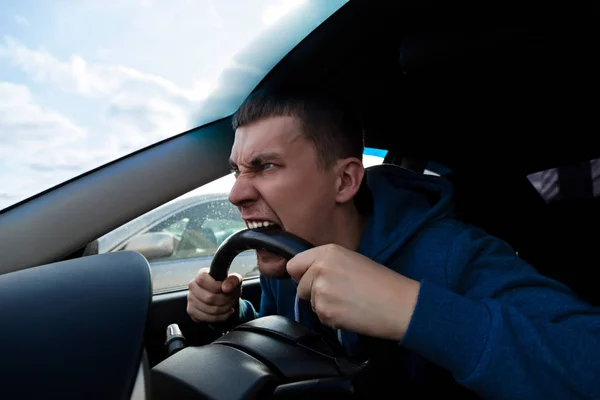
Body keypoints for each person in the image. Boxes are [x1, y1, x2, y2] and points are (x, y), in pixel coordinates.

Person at [187, 87, 600, 399]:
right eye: (237, 171)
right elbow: (294, 345)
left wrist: (411, 309)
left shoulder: (451, 254)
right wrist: (231, 315)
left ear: (345, 180)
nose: (236, 194)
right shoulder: (286, 254)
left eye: (265, 166)